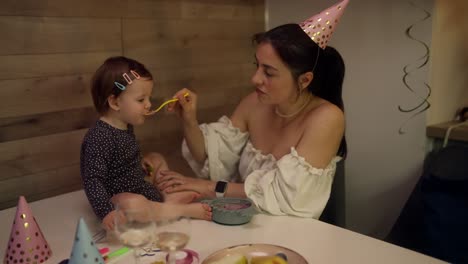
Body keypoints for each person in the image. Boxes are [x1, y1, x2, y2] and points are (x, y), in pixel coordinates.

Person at [155, 0, 349, 219]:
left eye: (269, 72)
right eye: (256, 66)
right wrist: (189, 119)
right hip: (245, 222)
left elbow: (282, 196)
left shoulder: (327, 118)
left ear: (304, 80)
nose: (255, 79)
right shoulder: (254, 103)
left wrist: (206, 187)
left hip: (294, 235)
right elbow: (210, 158)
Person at [80, 56, 211, 230]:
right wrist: (106, 212)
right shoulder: (99, 137)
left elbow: (126, 159)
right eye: (141, 100)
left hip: (136, 181)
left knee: (156, 158)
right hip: (118, 197)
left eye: (148, 98)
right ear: (114, 102)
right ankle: (179, 210)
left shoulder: (125, 124)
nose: (148, 105)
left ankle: (166, 196)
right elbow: (93, 180)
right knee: (134, 204)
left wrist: (143, 167)